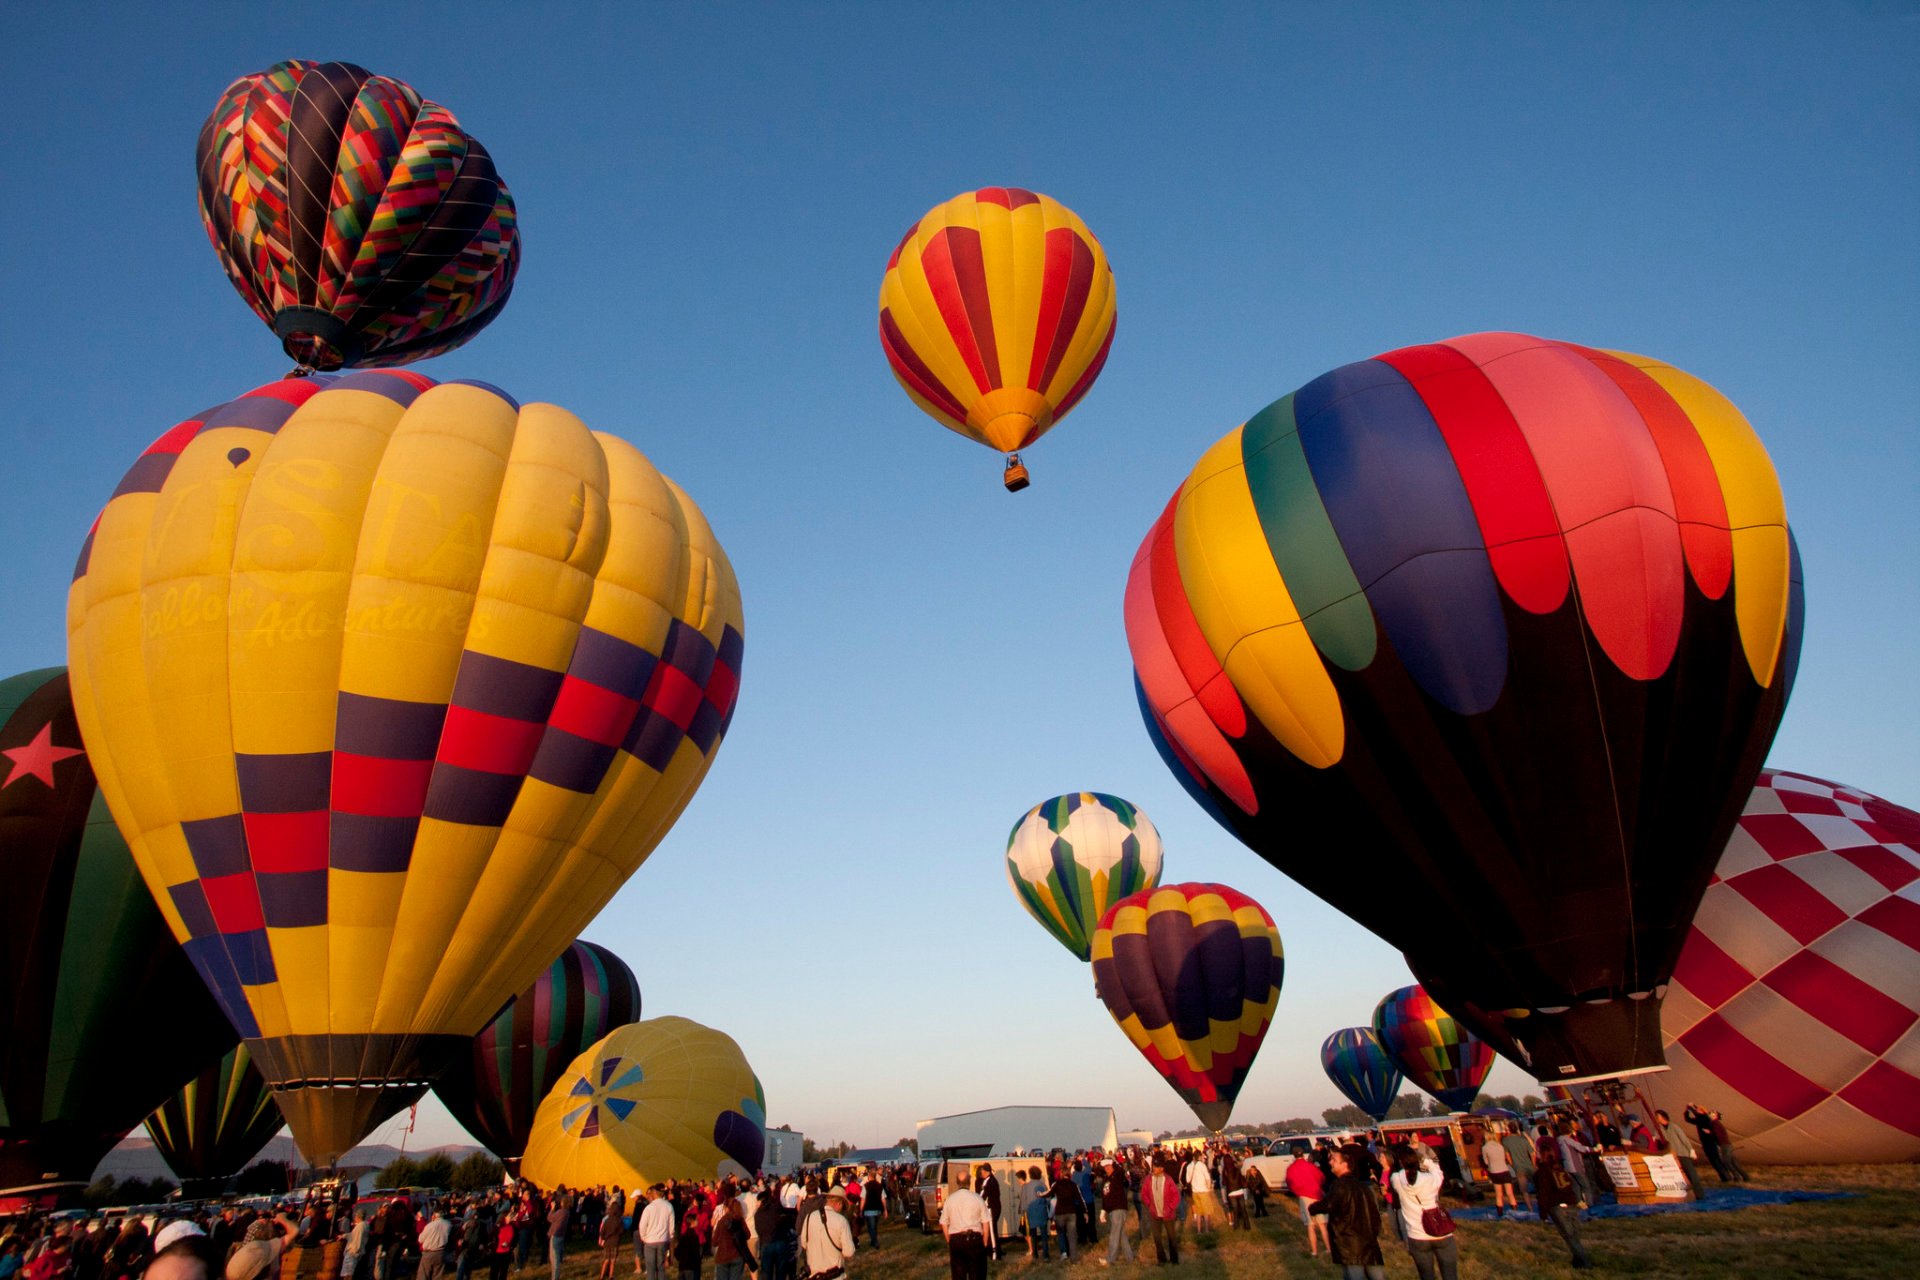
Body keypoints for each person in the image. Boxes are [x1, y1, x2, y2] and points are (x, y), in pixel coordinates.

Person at [1389, 1145, 1458, 1280]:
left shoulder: (1396, 1179)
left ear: (1400, 1162)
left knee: (1426, 1276)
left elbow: (1398, 1174)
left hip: (1417, 1236)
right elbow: (1439, 1173)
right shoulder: (1430, 1179)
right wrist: (1425, 1160)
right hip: (1441, 1233)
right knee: (1450, 1275)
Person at [1324, 1145, 1385, 1280]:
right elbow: (1375, 1218)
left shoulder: (1339, 1187)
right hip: (1367, 1243)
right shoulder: (1364, 1188)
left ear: (1344, 1164)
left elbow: (1328, 1207)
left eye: (1333, 1159)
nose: (1330, 1162)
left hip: (1350, 1245)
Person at [1532, 1143, 1592, 1269]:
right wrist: (1578, 1201)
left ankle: (1585, 1262)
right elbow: (1571, 1186)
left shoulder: (1543, 1172)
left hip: (1558, 1206)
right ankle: (1578, 1260)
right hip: (1571, 1203)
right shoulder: (1560, 1168)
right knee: (1574, 1235)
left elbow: (1543, 1193)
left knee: (1569, 1236)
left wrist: (1542, 1214)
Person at [939, 1181, 992, 1280]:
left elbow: (943, 1223)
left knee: (958, 1273)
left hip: (956, 1239)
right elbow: (986, 1222)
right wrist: (985, 1241)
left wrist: (949, 1240)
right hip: (975, 1239)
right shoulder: (977, 1198)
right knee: (977, 1273)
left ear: (957, 1183)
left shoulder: (950, 1199)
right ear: (969, 1183)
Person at [797, 1189, 855, 1280]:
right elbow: (849, 1252)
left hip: (814, 1275)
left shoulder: (809, 1217)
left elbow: (804, 1243)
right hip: (835, 1275)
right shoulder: (841, 1221)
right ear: (840, 1204)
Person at [1654, 1109, 1709, 1201]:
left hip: (1682, 1154)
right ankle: (1685, 1195)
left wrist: (1690, 1149)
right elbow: (1659, 1139)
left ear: (1663, 1117)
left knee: (1692, 1175)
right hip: (1672, 1156)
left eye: (1657, 1116)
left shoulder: (1674, 1127)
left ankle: (1700, 1195)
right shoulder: (1659, 1129)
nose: (1656, 1118)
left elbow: (1683, 1138)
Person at [1283, 1150, 1329, 1256]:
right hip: (1317, 1195)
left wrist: (1298, 1191)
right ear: (1303, 1155)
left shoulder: (1291, 1168)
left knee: (1310, 1225)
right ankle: (1328, 1248)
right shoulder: (1310, 1166)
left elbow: (1290, 1183)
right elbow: (1321, 1177)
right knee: (1322, 1225)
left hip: (1304, 1197)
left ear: (1294, 1156)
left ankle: (1314, 1251)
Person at [1140, 1159, 1181, 1266]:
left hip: (1168, 1214)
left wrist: (1170, 1208)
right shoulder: (1149, 1179)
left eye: (1157, 1167)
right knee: (1157, 1237)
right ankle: (1161, 1259)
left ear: (1162, 1168)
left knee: (1171, 1237)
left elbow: (1176, 1196)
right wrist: (1149, 1204)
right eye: (1154, 1166)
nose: (1154, 1168)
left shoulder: (1168, 1180)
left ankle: (1174, 1259)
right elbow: (1144, 1193)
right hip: (1154, 1213)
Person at [1099, 1158, 1134, 1265]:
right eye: (1105, 1167)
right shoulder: (1106, 1180)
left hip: (1118, 1208)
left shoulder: (1117, 1176)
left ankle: (1110, 1259)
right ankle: (1130, 1258)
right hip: (1111, 1210)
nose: (1107, 1169)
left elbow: (1121, 1171)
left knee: (1114, 1234)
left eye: (1109, 1166)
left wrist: (1113, 1161)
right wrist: (1103, 1211)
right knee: (1121, 1235)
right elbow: (1105, 1196)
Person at [635, 1189, 675, 1280]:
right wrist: (670, 1239)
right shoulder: (669, 1206)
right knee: (661, 1267)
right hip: (663, 1240)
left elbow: (642, 1225)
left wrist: (644, 1237)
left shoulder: (649, 1208)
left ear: (654, 1194)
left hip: (650, 1240)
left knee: (650, 1267)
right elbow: (671, 1227)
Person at [1048, 1161, 1084, 1261]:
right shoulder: (1073, 1184)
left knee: (1061, 1234)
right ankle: (1073, 1256)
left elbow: (1049, 1193)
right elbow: (1080, 1198)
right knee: (1072, 1235)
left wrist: (1040, 1194)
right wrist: (1085, 1211)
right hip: (1071, 1211)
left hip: (1060, 1212)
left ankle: (1064, 1253)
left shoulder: (1057, 1184)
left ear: (1061, 1174)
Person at [710, 1198, 753, 1280]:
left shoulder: (722, 1221)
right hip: (737, 1255)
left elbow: (714, 1242)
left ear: (727, 1208)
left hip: (722, 1256)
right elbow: (748, 1235)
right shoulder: (740, 1220)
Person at [1499, 1124, 1538, 1216]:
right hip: (1529, 1166)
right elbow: (1532, 1154)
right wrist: (1533, 1165)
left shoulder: (1506, 1141)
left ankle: (1530, 1208)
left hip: (1518, 1167)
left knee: (1524, 1190)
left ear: (1509, 1130)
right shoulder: (1523, 1140)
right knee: (1538, 1186)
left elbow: (1507, 1155)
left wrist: (1512, 1165)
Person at [1480, 1127, 1517, 1217]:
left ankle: (1500, 1213)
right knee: (1510, 1193)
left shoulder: (1485, 1148)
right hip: (1504, 1170)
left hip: (1494, 1171)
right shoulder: (1500, 1146)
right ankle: (1515, 1210)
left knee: (1498, 1194)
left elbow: (1486, 1162)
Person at [973, 1167, 1003, 1261]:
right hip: (996, 1208)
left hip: (991, 1209)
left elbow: (981, 1195)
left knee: (992, 1232)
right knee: (993, 1230)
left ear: (986, 1172)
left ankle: (995, 1254)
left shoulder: (988, 1181)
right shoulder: (994, 1180)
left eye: (982, 1172)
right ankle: (995, 1251)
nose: (981, 1174)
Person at [416, 1207, 452, 1280]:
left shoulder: (430, 1226)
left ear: (434, 1215)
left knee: (423, 1275)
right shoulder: (448, 1224)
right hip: (441, 1253)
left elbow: (420, 1239)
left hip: (429, 1253)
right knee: (437, 1275)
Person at [596, 1204, 622, 1280]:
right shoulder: (619, 1220)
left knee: (606, 1260)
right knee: (613, 1261)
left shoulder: (606, 1220)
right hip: (615, 1242)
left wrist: (604, 1238)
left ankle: (601, 1276)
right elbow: (621, 1231)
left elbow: (602, 1232)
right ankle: (611, 1276)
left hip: (607, 1243)